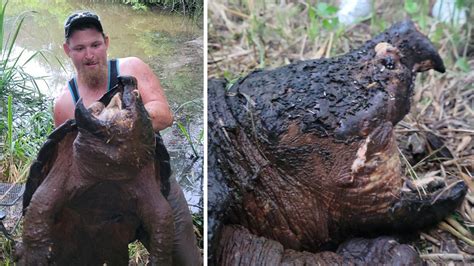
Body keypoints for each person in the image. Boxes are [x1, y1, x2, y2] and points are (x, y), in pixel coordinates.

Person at [54, 11, 201, 265]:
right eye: (79, 48)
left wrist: (123, 122)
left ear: (107, 42)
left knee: (186, 259)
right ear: (67, 50)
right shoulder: (65, 103)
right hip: (107, 200)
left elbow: (164, 115)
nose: (89, 55)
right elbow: (69, 164)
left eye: (95, 45)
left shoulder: (131, 69)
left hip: (156, 182)